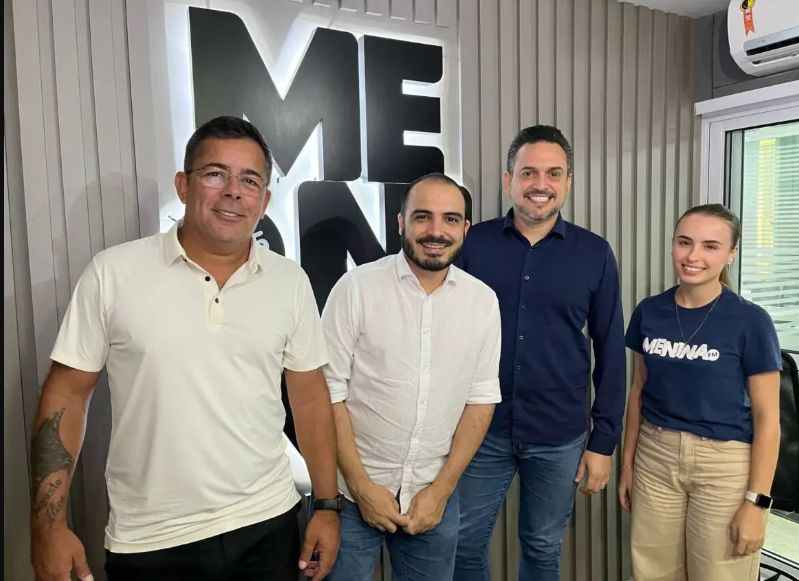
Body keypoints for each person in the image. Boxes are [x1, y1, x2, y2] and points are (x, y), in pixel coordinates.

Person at [29, 116, 340, 581]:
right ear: (183, 185)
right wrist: (47, 527)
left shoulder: (289, 281)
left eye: (249, 180)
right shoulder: (113, 273)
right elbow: (67, 395)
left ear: (264, 200)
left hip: (269, 525)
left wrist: (327, 506)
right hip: (151, 540)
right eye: (215, 174)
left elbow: (310, 397)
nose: (233, 192)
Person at [454, 125, 626, 580]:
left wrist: (603, 443)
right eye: (528, 172)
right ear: (507, 179)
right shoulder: (472, 245)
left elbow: (611, 351)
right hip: (480, 430)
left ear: (568, 181)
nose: (540, 184)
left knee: (543, 547)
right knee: (463, 542)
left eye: (553, 173)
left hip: (559, 434)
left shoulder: (594, 253)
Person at [321, 173, 502, 581]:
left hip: (433, 496)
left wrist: (441, 491)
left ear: (465, 228)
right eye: (423, 217)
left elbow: (481, 400)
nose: (436, 231)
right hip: (351, 495)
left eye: (450, 219)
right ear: (401, 222)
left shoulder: (482, 302)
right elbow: (327, 392)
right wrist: (361, 486)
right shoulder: (356, 288)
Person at [619, 203, 781, 580]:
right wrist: (627, 466)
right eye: (684, 242)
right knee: (653, 572)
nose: (693, 256)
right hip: (656, 456)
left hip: (724, 465)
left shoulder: (751, 321)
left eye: (710, 246)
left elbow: (768, 419)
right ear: (673, 245)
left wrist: (757, 503)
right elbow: (638, 391)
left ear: (731, 254)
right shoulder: (649, 311)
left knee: (720, 573)